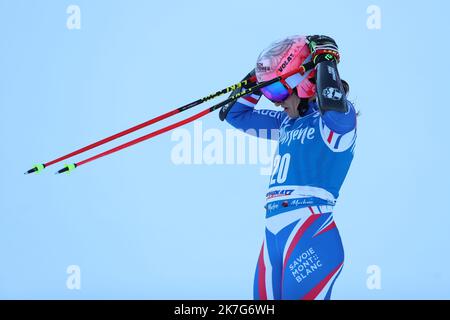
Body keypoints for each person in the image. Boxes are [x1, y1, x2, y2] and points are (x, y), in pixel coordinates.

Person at [220, 35, 357, 300]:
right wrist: (260, 78)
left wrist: (325, 60)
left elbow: (332, 103)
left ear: (305, 85)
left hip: (310, 231)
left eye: (279, 92)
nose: (274, 101)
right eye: (270, 92)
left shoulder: (335, 123)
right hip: (273, 235)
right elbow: (235, 114)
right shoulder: (286, 122)